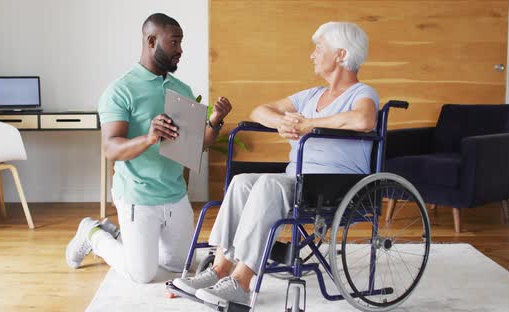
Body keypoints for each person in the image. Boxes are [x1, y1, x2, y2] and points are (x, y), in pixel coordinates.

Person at [173, 21, 379, 307]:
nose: (312, 55)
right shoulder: (310, 96)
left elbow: (364, 120)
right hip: (299, 180)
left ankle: (241, 283)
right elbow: (260, 111)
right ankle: (219, 268)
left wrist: (309, 124)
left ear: (341, 55)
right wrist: (283, 122)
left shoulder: (362, 93)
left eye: (319, 49)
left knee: (270, 183)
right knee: (242, 182)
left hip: (334, 185)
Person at [65, 13, 232, 284]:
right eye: (174, 42)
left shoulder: (181, 90)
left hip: (175, 194)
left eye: (181, 42)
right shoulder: (121, 90)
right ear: (151, 40)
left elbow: (196, 145)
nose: (180, 49)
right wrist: (149, 138)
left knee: (180, 265)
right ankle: (92, 234)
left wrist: (214, 122)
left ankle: (127, 238)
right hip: (137, 196)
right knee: (141, 274)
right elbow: (110, 148)